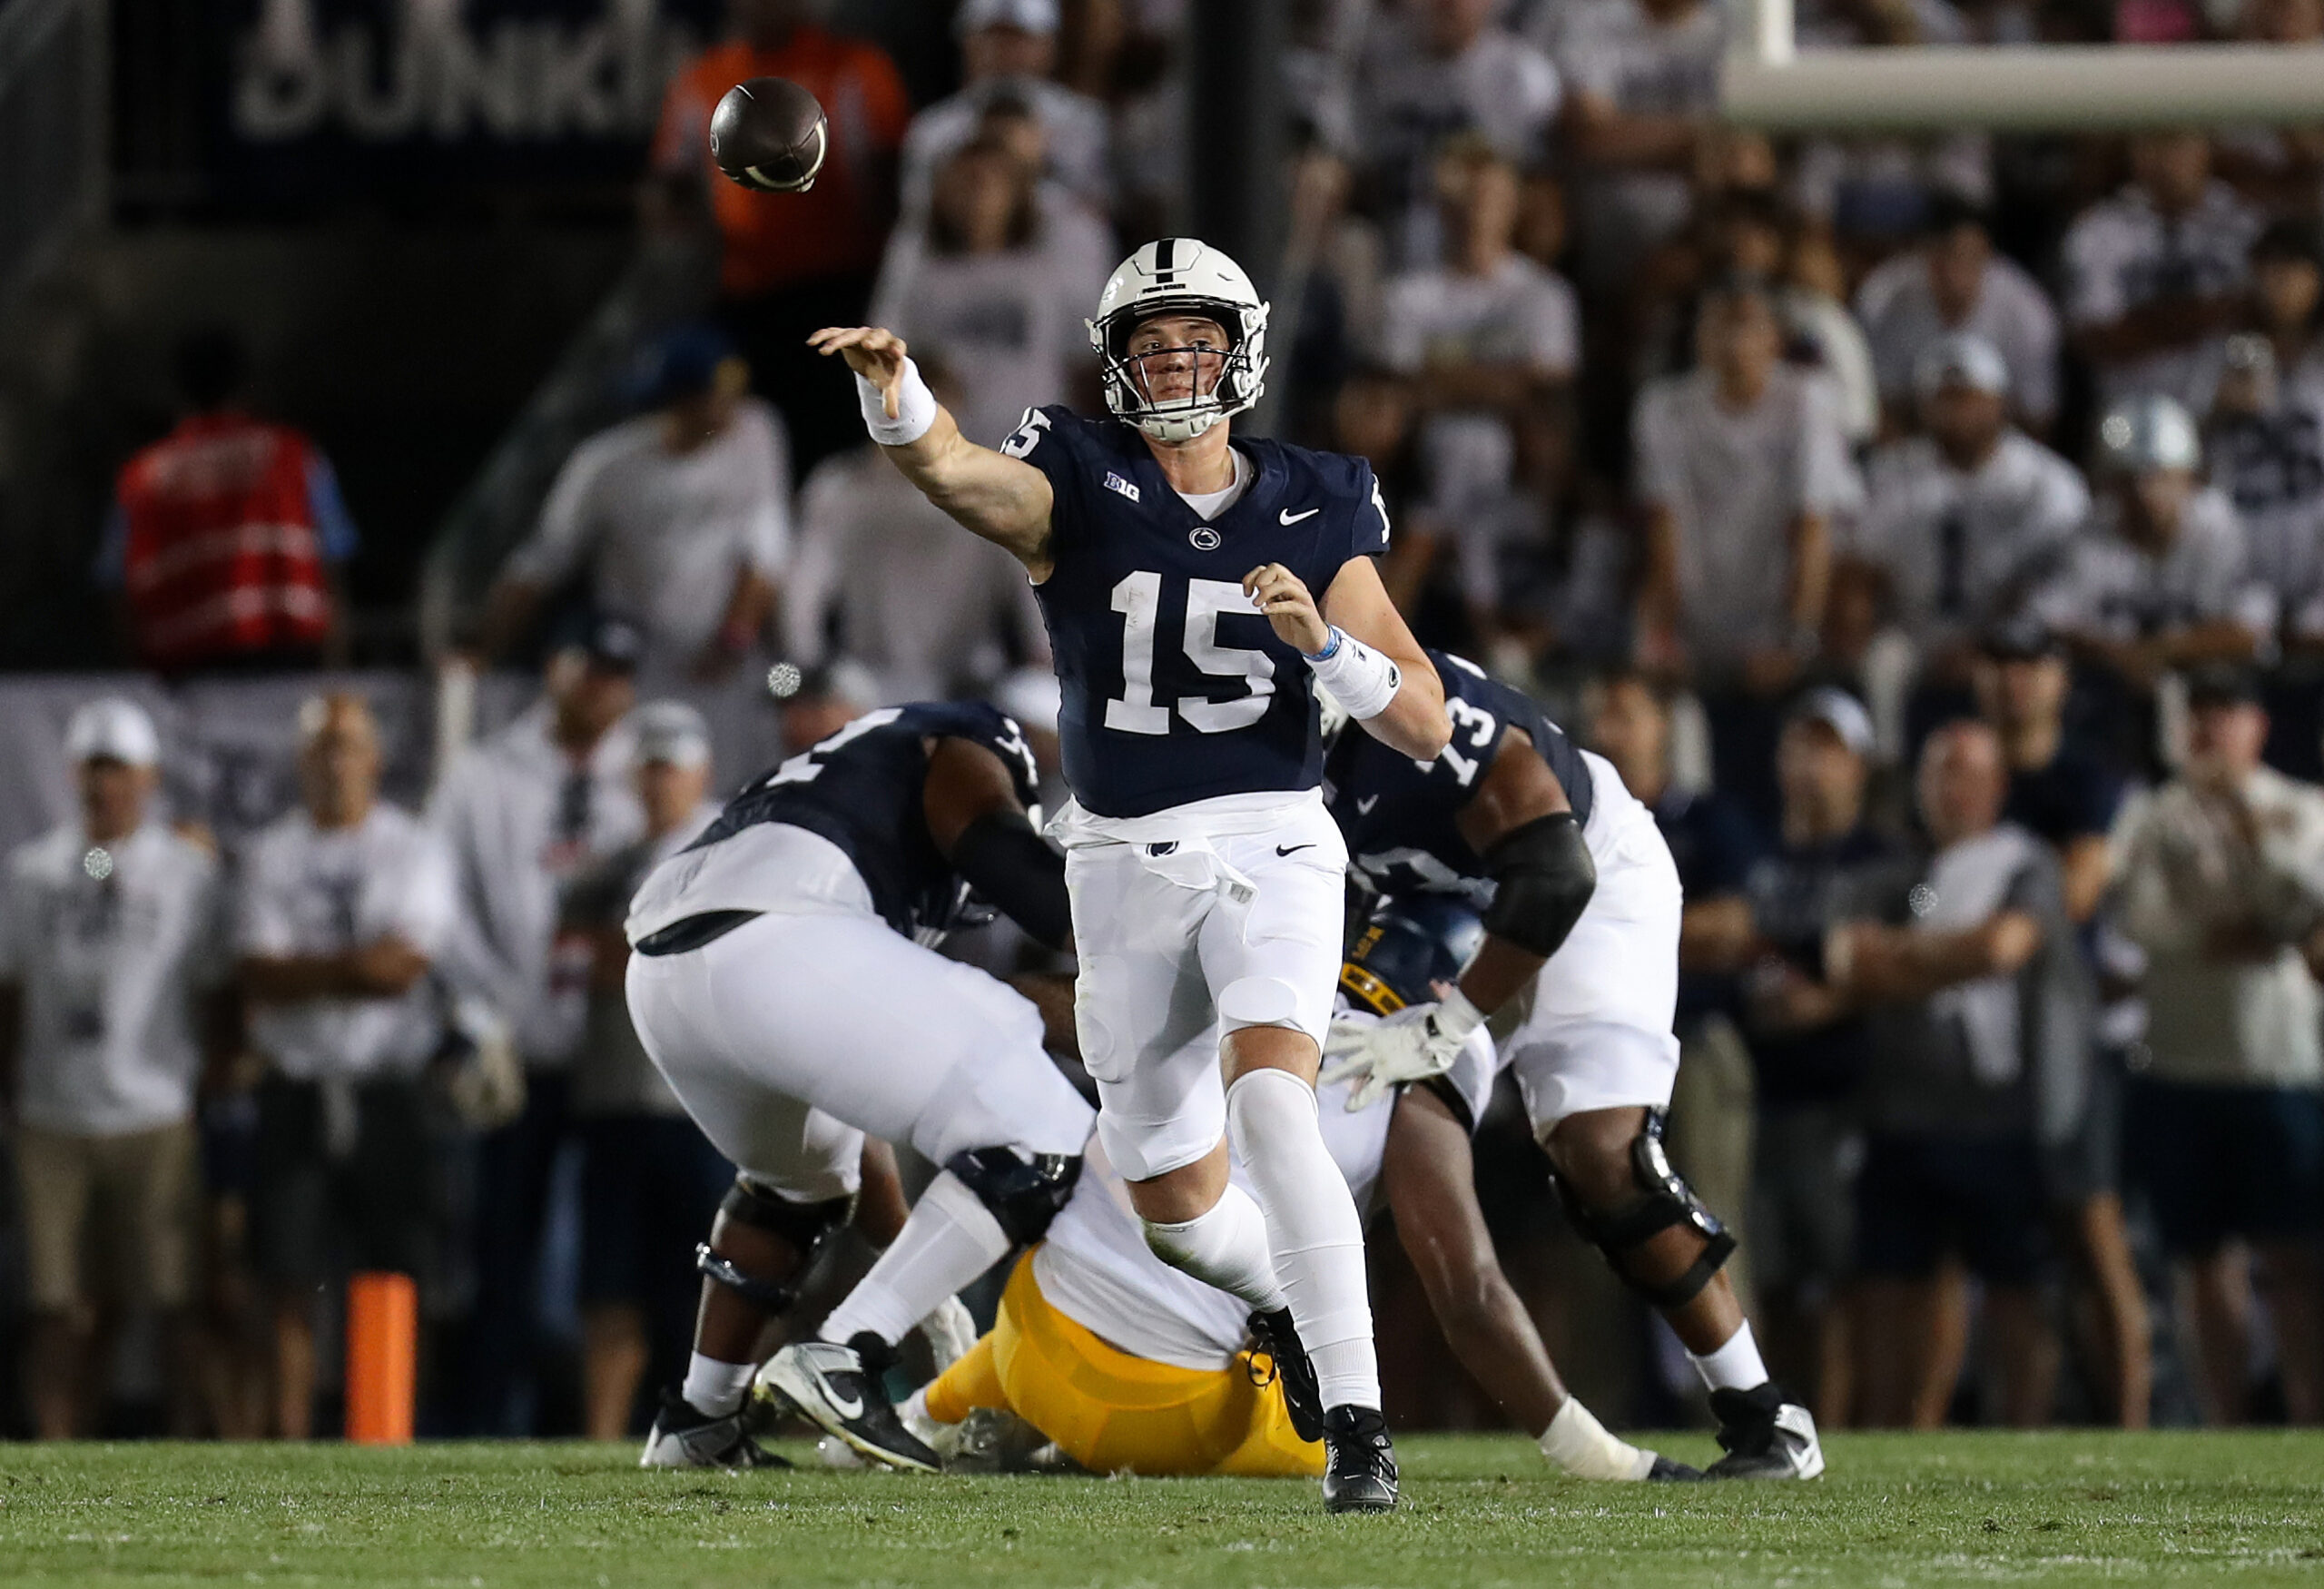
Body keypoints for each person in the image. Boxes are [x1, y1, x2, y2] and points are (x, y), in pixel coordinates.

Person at [811, 234, 1452, 1512]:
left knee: (1273, 1102)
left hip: (1274, 835)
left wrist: (1327, 648)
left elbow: (1424, 721)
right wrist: (902, 400)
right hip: (1119, 866)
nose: (1174, 363)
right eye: (1151, 344)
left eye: (1195, 341)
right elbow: (957, 477)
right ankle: (1277, 1298)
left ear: (1240, 352)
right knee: (1173, 1205)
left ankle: (1362, 1426)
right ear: (1115, 362)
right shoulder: (1082, 475)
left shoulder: (1321, 499)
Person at [911, 896, 1695, 1483]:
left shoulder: (1246, 967)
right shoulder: (1431, 1057)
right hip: (1158, 1413)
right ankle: (1055, 1435)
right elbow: (1468, 1290)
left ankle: (939, 1410)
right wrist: (1595, 1453)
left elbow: (1055, 1010)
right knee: (1317, 1395)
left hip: (1024, 1323)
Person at [1319, 650, 1823, 1478]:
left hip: (1589, 881)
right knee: (1358, 1118)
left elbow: (1556, 873)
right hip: (1437, 908)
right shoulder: (1258, 750)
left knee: (1602, 1156)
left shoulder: (1424, 713)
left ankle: (1766, 1416)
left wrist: (1451, 1021)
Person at [627, 701, 1093, 1471]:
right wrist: (1112, 929)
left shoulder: (834, 792)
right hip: (779, 934)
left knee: (797, 1185)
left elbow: (858, 1082)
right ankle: (847, 1352)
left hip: (667, 973)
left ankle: (698, 1422)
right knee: (1040, 1131)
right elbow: (991, 838)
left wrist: (920, 1278)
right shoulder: (972, 737)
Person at [1827, 721, 2089, 1428]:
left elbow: (2003, 947)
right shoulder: (1900, 876)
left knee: (2015, 1289)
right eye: (1941, 771)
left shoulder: (2022, 864)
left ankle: (2025, 1434)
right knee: (1891, 1288)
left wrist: (1900, 961)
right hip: (1900, 1114)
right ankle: (1894, 1438)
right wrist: (1925, 959)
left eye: (1970, 772)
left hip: (1998, 1113)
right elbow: (1844, 959)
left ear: (1999, 787)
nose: (1953, 788)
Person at [429, 617, 645, 1434]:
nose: (603, 690)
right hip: (520, 1048)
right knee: (501, 1250)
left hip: (620, 1056)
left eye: (617, 676)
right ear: (555, 671)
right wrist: (488, 1012)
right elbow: (440, 906)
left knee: (616, 1261)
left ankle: (608, 1423)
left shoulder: (647, 771)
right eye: (589, 670)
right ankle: (491, 1421)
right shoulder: (485, 774)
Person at [235, 694, 456, 1439]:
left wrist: (308, 972)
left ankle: (386, 1427)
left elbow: (404, 970)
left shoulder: (411, 846)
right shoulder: (273, 851)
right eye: (322, 748)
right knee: (286, 1272)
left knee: (394, 1264)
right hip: (295, 1082)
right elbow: (259, 975)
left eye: (348, 746)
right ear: (302, 762)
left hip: (386, 1082)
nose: (335, 763)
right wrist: (355, 966)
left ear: (375, 757)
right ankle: (291, 1435)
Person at [0, 699, 222, 1438]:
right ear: (72, 775)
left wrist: (207, 1082)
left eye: (119, 770)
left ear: (149, 777)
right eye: (94, 770)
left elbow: (218, 989)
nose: (105, 787)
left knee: (171, 1301)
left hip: (153, 1109)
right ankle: (59, 1454)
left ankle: (184, 1451)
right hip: (54, 1113)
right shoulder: (37, 871)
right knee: (59, 1307)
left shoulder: (186, 871)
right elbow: (11, 990)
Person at [2110, 666, 2324, 1425]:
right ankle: (2225, 1419)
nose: (2209, 730)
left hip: (2277, 1064)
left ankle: (2308, 1414)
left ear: (2257, 725)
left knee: (2294, 1258)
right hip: (2179, 1063)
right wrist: (2223, 932)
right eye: (2197, 713)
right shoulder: (2152, 813)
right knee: (2201, 1258)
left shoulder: (2299, 807)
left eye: (2226, 713)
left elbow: (2301, 906)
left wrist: (2241, 827)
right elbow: (2141, 921)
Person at [1971, 622, 2152, 1428]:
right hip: (1980, 1035)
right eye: (2002, 664)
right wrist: (1948, 924)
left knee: (2092, 1227)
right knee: (2019, 1250)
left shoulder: (2086, 780)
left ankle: (2135, 1423)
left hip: (2070, 1031)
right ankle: (2029, 1423)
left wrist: (1978, 927)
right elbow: (1919, 892)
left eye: (2031, 666)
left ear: (2059, 682)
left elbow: (2076, 895)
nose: (2015, 682)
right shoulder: (1967, 773)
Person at [1734, 689, 1914, 1417]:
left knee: (1845, 1278)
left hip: (1849, 1092)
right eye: (1798, 747)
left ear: (1861, 765)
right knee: (1773, 1280)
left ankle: (1854, 1423)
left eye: (1828, 749)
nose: (1811, 765)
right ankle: (1788, 1419)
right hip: (1762, 1089)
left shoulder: (1887, 861)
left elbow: (1910, 957)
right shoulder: (1758, 855)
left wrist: (1831, 1000)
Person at [559, 703, 732, 1441]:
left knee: (726, 1281)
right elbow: (573, 954)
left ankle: (726, 1424)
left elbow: (699, 956)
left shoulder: (732, 849)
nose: (662, 783)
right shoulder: (614, 860)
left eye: (673, 768)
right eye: (651, 768)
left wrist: (623, 953)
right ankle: (604, 1436)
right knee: (612, 1289)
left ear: (702, 773)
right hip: (621, 1101)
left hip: (706, 1105)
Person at [1633, 274, 1860, 822]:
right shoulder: (1664, 408)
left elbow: (1812, 525)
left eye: (1748, 325)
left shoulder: (1808, 402)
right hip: (1704, 613)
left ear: (1775, 339)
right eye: (1720, 325)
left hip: (1779, 619)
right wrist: (1665, 635)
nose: (1734, 342)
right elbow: (1665, 526)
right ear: (1699, 339)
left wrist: (1796, 636)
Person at [650, 0, 911, 474]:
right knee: (751, 440)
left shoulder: (856, 66)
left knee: (832, 442)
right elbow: (671, 184)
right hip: (746, 296)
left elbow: (893, 175)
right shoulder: (703, 76)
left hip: (842, 291)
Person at [1588, 669, 1768, 1312]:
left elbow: (1737, 927)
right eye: (1601, 716)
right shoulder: (1573, 823)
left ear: (1664, 725)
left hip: (1693, 1042)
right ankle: (1599, 1412)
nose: (1609, 732)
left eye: (1626, 714)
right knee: (1597, 1246)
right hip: (1597, 1053)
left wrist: (1611, 925)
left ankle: (1745, 1402)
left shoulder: (1705, 818)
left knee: (1709, 1222)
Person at [483, 327, 791, 686]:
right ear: (677, 400)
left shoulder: (757, 432)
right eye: (713, 395)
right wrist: (487, 651)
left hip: (720, 653)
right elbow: (544, 559)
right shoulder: (605, 463)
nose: (731, 406)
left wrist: (734, 639)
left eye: (732, 392)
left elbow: (767, 552)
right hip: (625, 652)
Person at [783, 364, 1050, 705]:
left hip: (971, 684)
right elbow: (802, 595)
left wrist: (1044, 660)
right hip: (868, 684)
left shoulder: (993, 490)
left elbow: (1031, 585)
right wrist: (812, 675)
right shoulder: (838, 489)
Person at [98, 328, 358, 676]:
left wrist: (135, 678)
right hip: (288, 663)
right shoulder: (293, 456)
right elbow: (332, 563)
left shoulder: (142, 478)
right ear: (244, 385)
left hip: (184, 680)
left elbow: (118, 590)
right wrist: (338, 674)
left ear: (177, 390)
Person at [1847, 333, 2087, 701]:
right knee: (1883, 659)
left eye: (1969, 397)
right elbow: (1861, 570)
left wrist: (1982, 646)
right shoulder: (1890, 473)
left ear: (1999, 402)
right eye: (1944, 398)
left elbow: (2054, 585)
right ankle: (1886, 759)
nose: (1957, 413)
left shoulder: (2047, 483)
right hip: (1916, 634)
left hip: (2008, 637)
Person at [2033, 394, 2269, 746]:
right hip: (2111, 700)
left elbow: (2251, 633)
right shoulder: (2092, 531)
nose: (2143, 491)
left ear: (2189, 477)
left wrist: (2154, 653)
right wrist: (2124, 659)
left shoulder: (2217, 526)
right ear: (2109, 483)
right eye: (2128, 479)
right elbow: (2051, 624)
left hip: (2202, 693)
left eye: (2158, 476)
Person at [1381, 136, 1579, 533]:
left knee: (1492, 440)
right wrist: (1503, 380)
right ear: (1442, 205)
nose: (1477, 210)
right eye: (1465, 196)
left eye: (1489, 196)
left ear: (1513, 204)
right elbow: (1398, 388)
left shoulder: (1544, 293)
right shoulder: (1408, 296)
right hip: (1422, 453)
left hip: (1518, 448)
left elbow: (1546, 388)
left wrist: (1439, 380)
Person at [868, 133, 1112, 452]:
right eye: (964, 182)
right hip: (945, 450)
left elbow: (1084, 362)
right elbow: (881, 349)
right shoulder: (916, 264)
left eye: (991, 181)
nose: (977, 193)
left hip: (1038, 446)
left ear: (1017, 194)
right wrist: (924, 374)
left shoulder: (1048, 267)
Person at [2063, 131, 2264, 412]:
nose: (2171, 158)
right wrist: (2210, 314)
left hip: (2228, 416)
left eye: (2182, 141)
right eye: (2156, 142)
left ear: (2206, 146)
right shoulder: (2098, 229)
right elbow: (2095, 338)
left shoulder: (2247, 223)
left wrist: (2152, 323)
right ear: (2136, 154)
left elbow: (2272, 312)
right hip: (2132, 416)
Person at [1552, 0, 1728, 294]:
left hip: (1702, 238)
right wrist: (1696, 142)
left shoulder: (1731, 26)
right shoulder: (1593, 20)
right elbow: (1590, 138)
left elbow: (1745, 149)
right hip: (1601, 237)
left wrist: (1632, 136)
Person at [1855, 196, 2063, 438]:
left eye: (1965, 257)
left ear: (1986, 255)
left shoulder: (2028, 314)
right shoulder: (1885, 300)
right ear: (1924, 255)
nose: (1953, 273)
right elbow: (1882, 406)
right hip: (1917, 447)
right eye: (1942, 257)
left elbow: (2038, 416)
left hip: (1999, 448)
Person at [897, 0, 1112, 220]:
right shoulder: (932, 130)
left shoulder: (1084, 122)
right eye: (992, 36)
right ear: (967, 43)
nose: (1004, 51)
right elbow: (918, 219)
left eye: (1019, 37)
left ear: (1049, 44)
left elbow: (1099, 212)